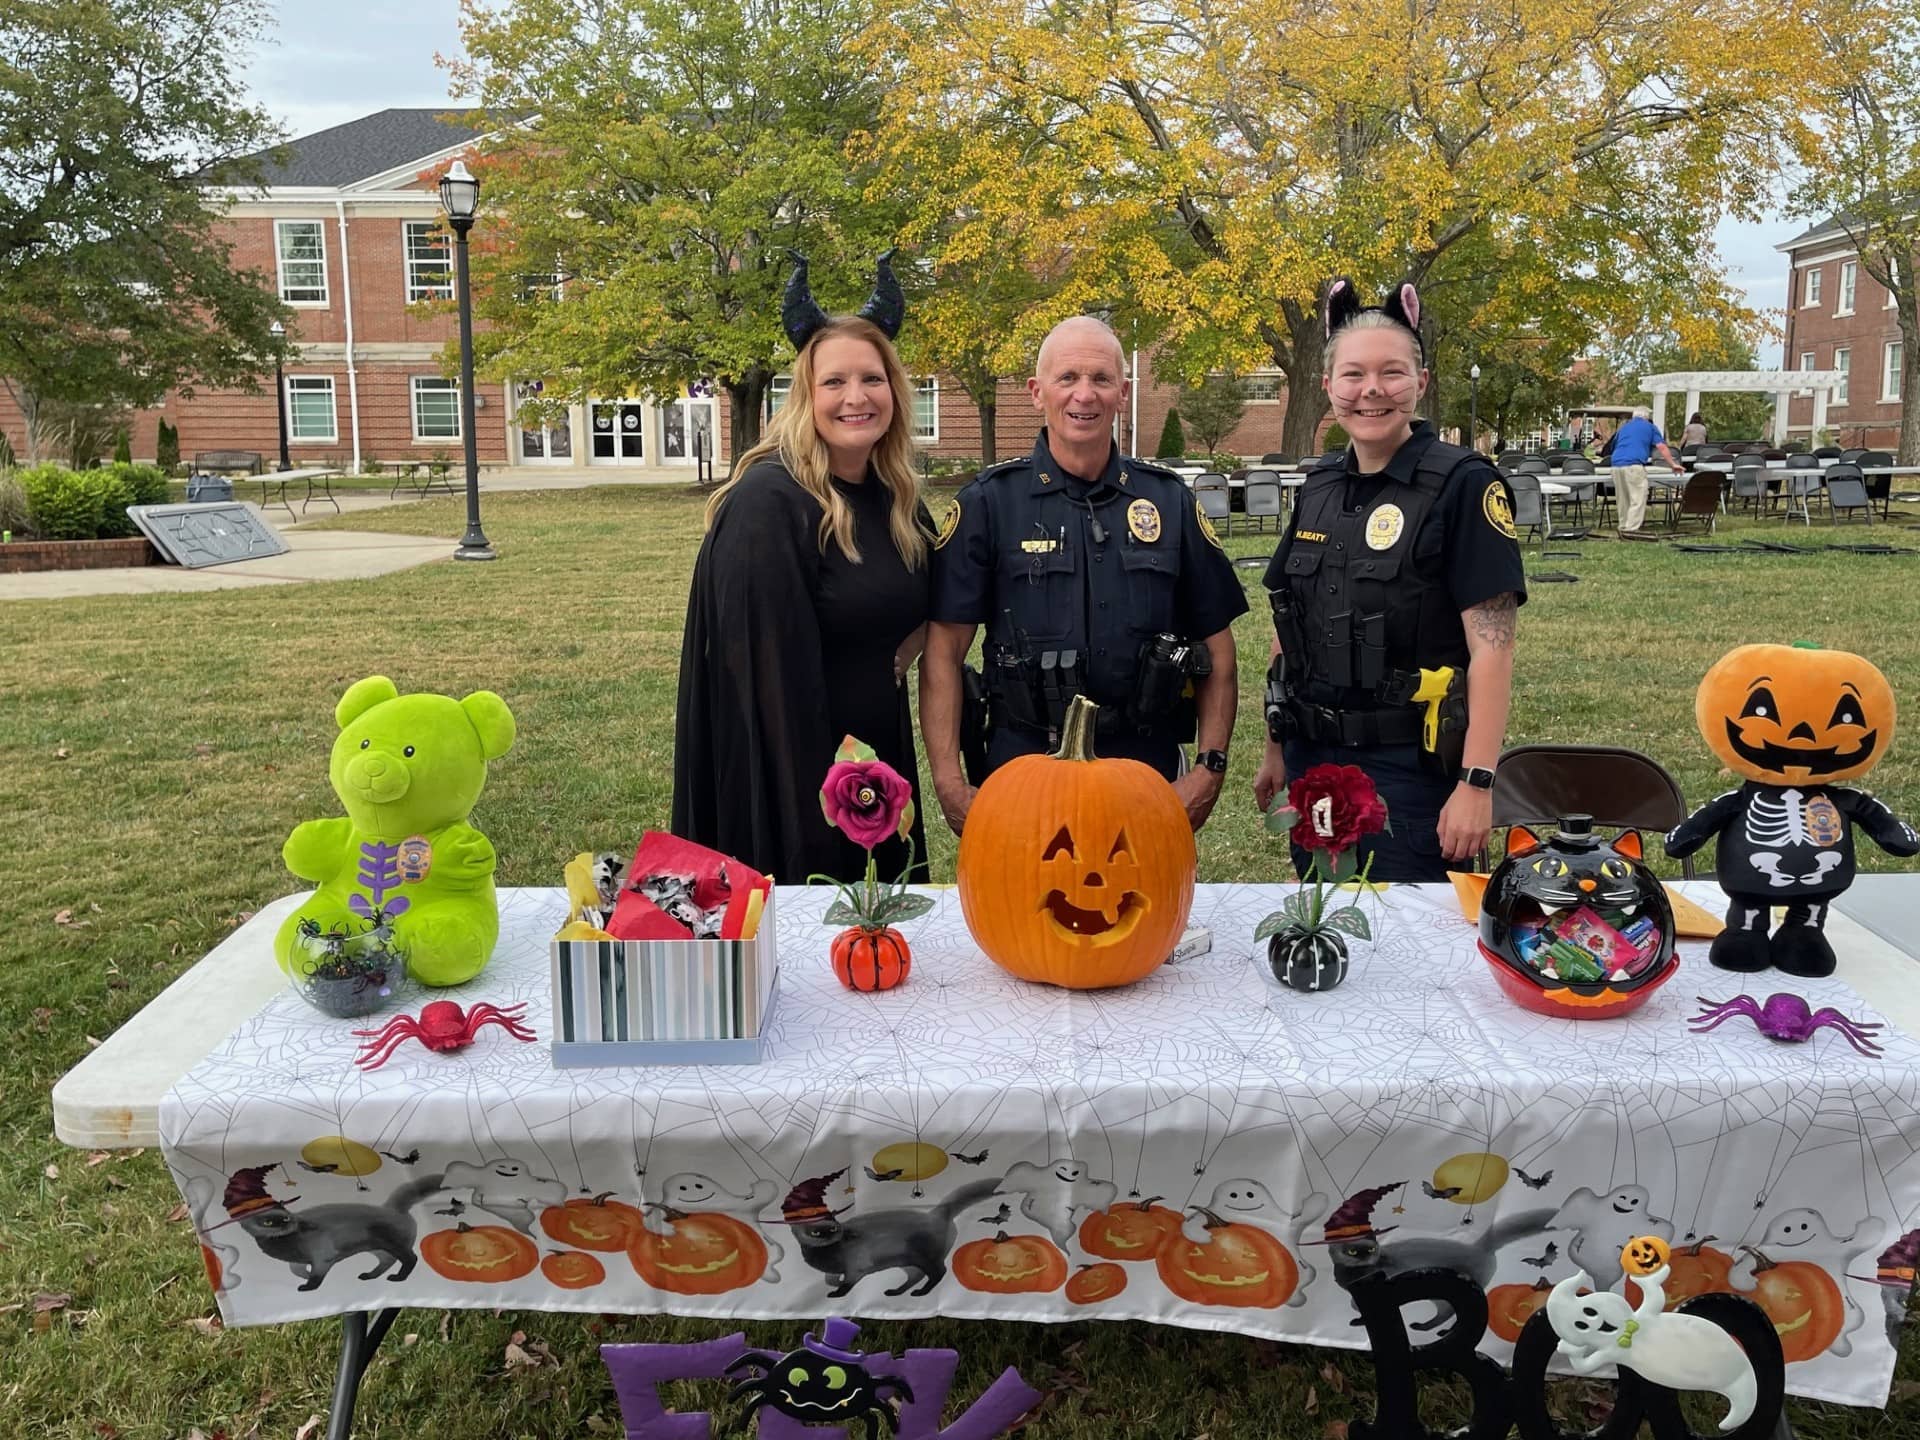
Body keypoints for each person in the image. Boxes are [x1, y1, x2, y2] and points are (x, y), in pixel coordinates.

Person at [921, 316, 1248, 834]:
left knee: (1145, 907)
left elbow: (1219, 646)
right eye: (1067, 377)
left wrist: (1209, 769)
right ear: (1037, 392)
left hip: (1145, 768)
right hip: (1025, 765)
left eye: (1100, 379)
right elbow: (943, 650)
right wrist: (948, 780)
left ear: (1122, 392)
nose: (1084, 395)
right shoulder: (989, 504)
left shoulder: (1167, 501)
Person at [672, 254, 932, 884]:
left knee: (881, 950)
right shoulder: (768, 503)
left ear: (894, 390)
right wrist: (804, 816)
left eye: (872, 379)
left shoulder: (898, 499)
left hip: (877, 765)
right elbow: (751, 688)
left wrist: (914, 642)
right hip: (790, 776)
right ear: (806, 395)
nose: (856, 398)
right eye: (834, 382)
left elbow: (939, 596)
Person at [1254, 278, 1524, 882]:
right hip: (1314, 761)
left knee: (1410, 949)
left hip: (1412, 768)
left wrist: (1476, 783)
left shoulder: (1465, 485)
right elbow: (1288, 628)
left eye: (1392, 373)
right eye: (1352, 375)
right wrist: (1274, 748)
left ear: (1420, 383)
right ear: (1328, 387)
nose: (1371, 390)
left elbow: (1493, 648)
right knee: (1327, 916)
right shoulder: (1318, 487)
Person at [1607, 405, 1681, 534]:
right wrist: (1673, 464)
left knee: (1623, 498)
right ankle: (1631, 529)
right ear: (1647, 417)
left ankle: (1623, 526)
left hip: (1616, 464)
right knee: (1638, 497)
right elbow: (1661, 447)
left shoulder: (1623, 428)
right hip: (1633, 464)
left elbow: (1612, 447)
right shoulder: (1650, 427)